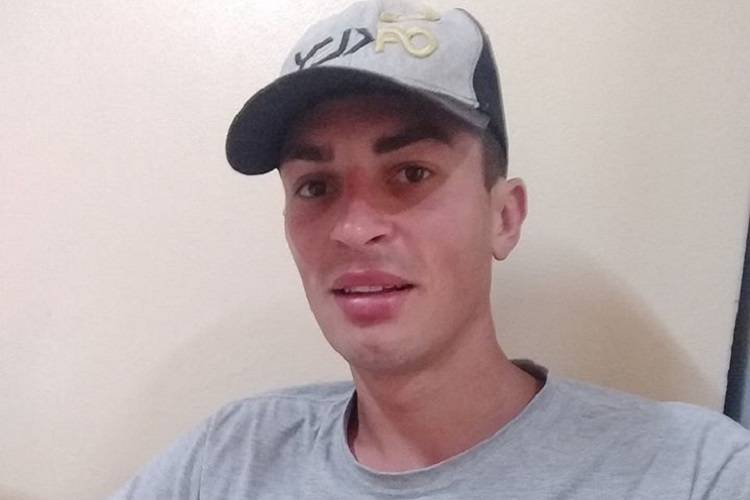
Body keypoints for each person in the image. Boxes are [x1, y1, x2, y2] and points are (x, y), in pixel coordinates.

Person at [108, 1, 750, 498]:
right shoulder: (227, 461)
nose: (353, 229)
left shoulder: (692, 472)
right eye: (315, 186)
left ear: (504, 217)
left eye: (411, 173)